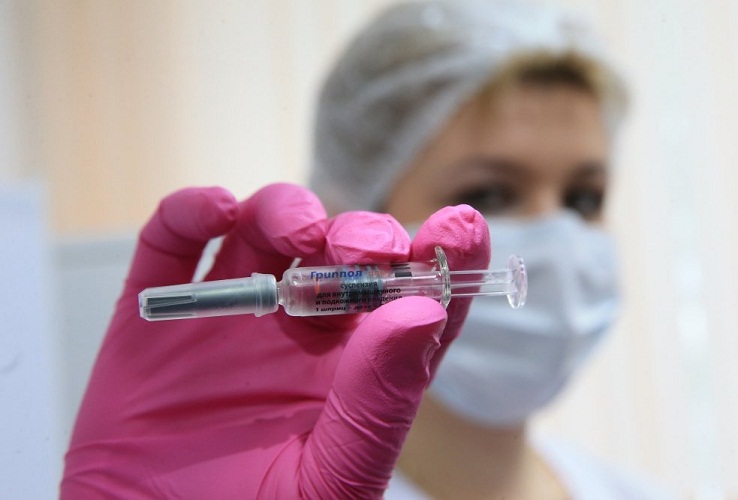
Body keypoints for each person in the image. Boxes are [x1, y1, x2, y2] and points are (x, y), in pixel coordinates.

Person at [61, 1, 673, 498]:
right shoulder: (262, 487)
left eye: (584, 198)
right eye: (489, 193)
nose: (557, 239)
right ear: (357, 211)